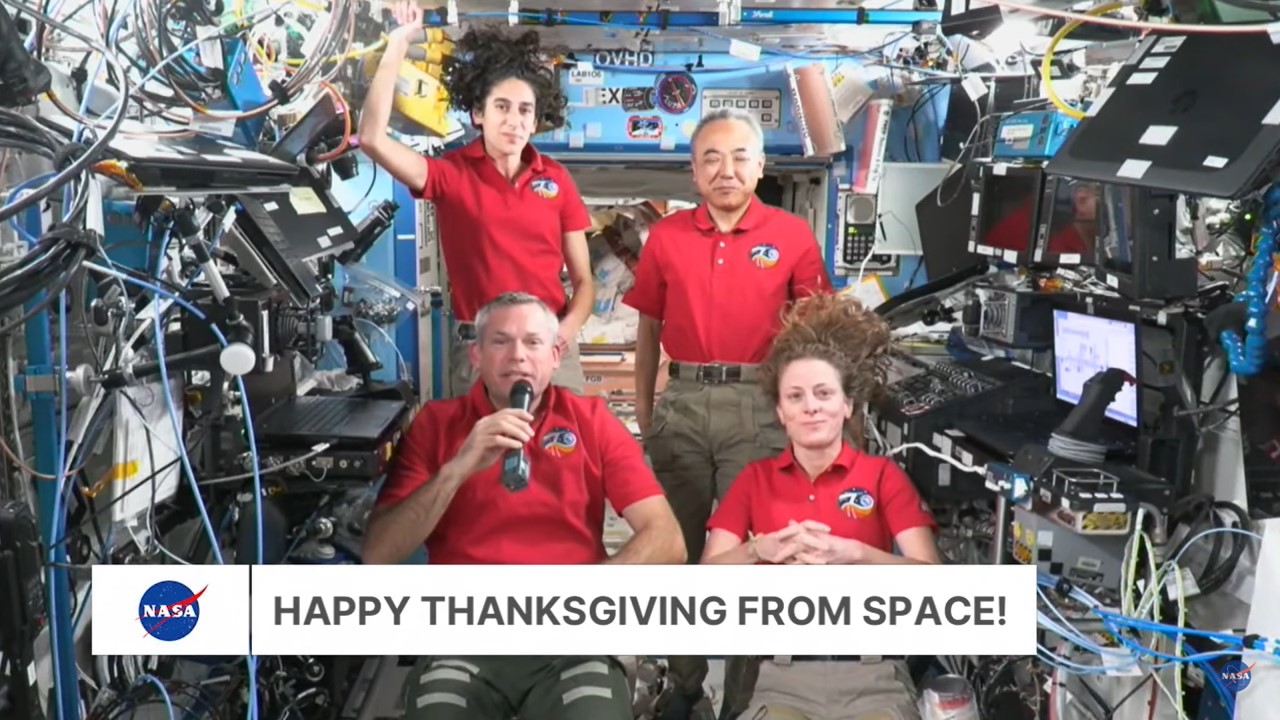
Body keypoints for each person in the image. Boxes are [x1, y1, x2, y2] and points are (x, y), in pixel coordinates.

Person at [362, 292, 686, 720]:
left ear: (555, 355)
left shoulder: (590, 420)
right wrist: (459, 468)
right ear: (476, 355)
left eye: (533, 343)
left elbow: (669, 540)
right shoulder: (436, 424)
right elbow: (378, 553)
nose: (517, 356)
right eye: (501, 341)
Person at [621, 107, 833, 719]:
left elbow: (816, 337)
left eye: (740, 156)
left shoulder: (791, 235)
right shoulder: (666, 238)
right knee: (674, 553)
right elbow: (648, 324)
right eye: (711, 158)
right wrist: (643, 406)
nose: (726, 169)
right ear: (693, 172)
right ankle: (685, 686)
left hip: (760, 408)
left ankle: (742, 699)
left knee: (757, 555)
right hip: (682, 404)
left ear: (761, 166)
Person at [703, 293, 941, 720]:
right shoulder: (754, 480)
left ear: (846, 405)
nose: (811, 406)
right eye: (795, 396)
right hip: (783, 675)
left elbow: (932, 583)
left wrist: (858, 556)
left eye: (823, 393)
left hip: (874, 675)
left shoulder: (882, 476)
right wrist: (759, 551)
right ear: (780, 411)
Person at [358, 1, 594, 396]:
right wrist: (399, 43)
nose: (514, 121)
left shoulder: (556, 179)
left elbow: (585, 283)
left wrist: (563, 335)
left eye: (524, 111)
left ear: (535, 122)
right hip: (480, 349)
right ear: (478, 114)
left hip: (551, 348)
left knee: (566, 456)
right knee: (480, 456)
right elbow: (372, 139)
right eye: (501, 107)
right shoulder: (451, 175)